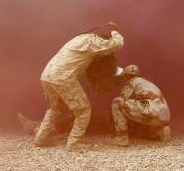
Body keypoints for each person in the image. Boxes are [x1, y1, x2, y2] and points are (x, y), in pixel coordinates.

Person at [33, 22, 124, 151]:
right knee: (83, 110)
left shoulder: (77, 39)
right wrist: (114, 30)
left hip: (47, 75)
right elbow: (116, 44)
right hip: (63, 77)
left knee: (55, 108)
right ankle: (74, 143)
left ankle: (40, 138)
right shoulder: (91, 40)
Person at [111, 65, 171, 147]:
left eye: (125, 76)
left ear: (127, 75)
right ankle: (161, 131)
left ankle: (122, 138)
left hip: (150, 113)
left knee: (117, 103)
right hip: (163, 116)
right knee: (136, 106)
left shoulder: (131, 82)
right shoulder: (146, 82)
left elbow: (123, 98)